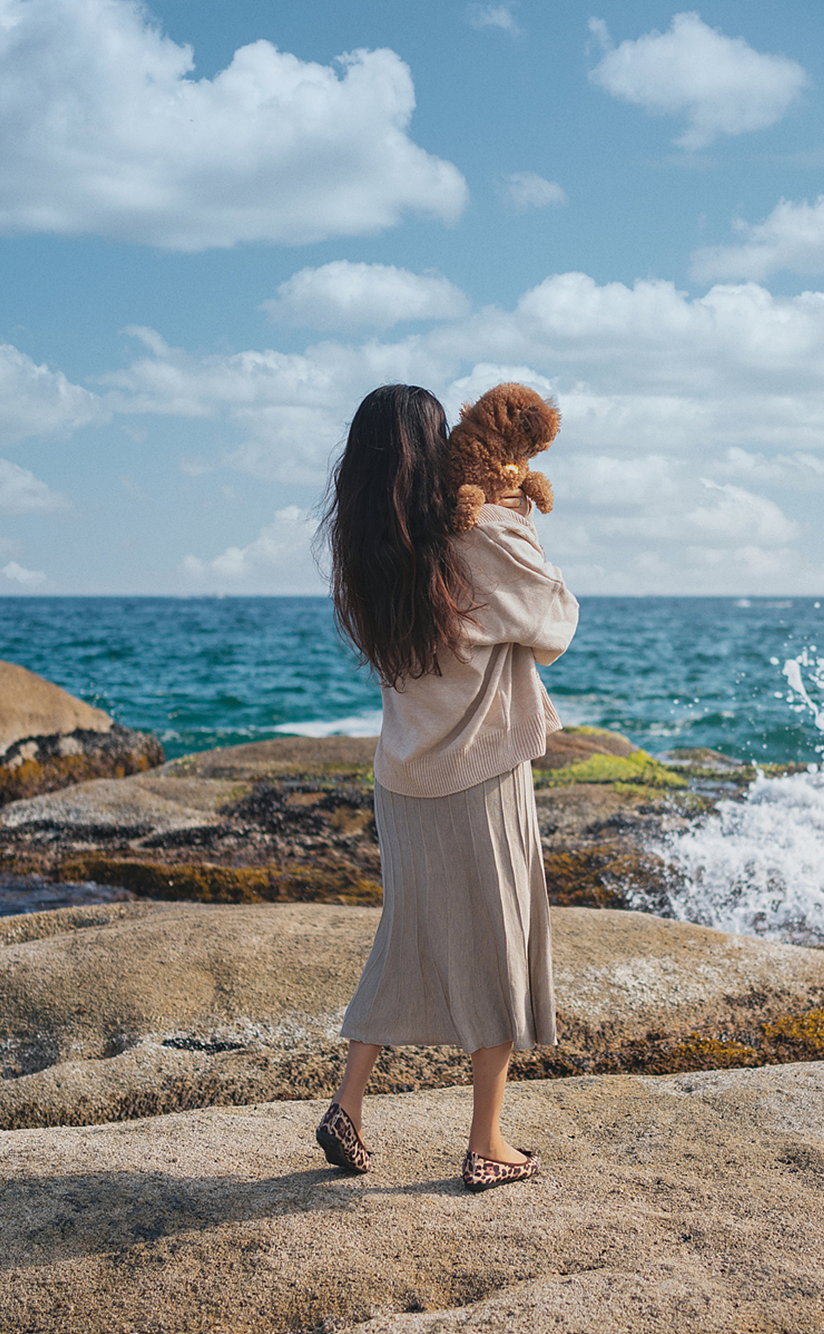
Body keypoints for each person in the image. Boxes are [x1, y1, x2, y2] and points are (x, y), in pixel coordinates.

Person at [314, 382, 579, 1192]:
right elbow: (557, 624)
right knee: (497, 949)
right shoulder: (476, 536)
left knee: (408, 937)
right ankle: (487, 1142)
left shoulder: (367, 553)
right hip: (478, 774)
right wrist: (515, 514)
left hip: (402, 779)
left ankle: (348, 1107)